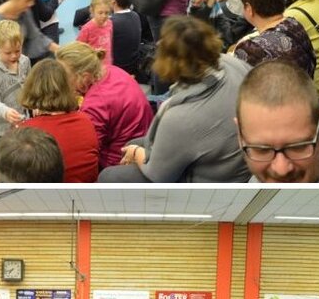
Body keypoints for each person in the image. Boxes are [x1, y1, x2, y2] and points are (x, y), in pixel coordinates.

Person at [103, 17, 250, 182]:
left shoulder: (178, 118)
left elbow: (158, 176)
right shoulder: (233, 63)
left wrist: (136, 152)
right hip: (239, 161)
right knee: (134, 142)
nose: (158, 44)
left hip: (215, 179)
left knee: (109, 175)